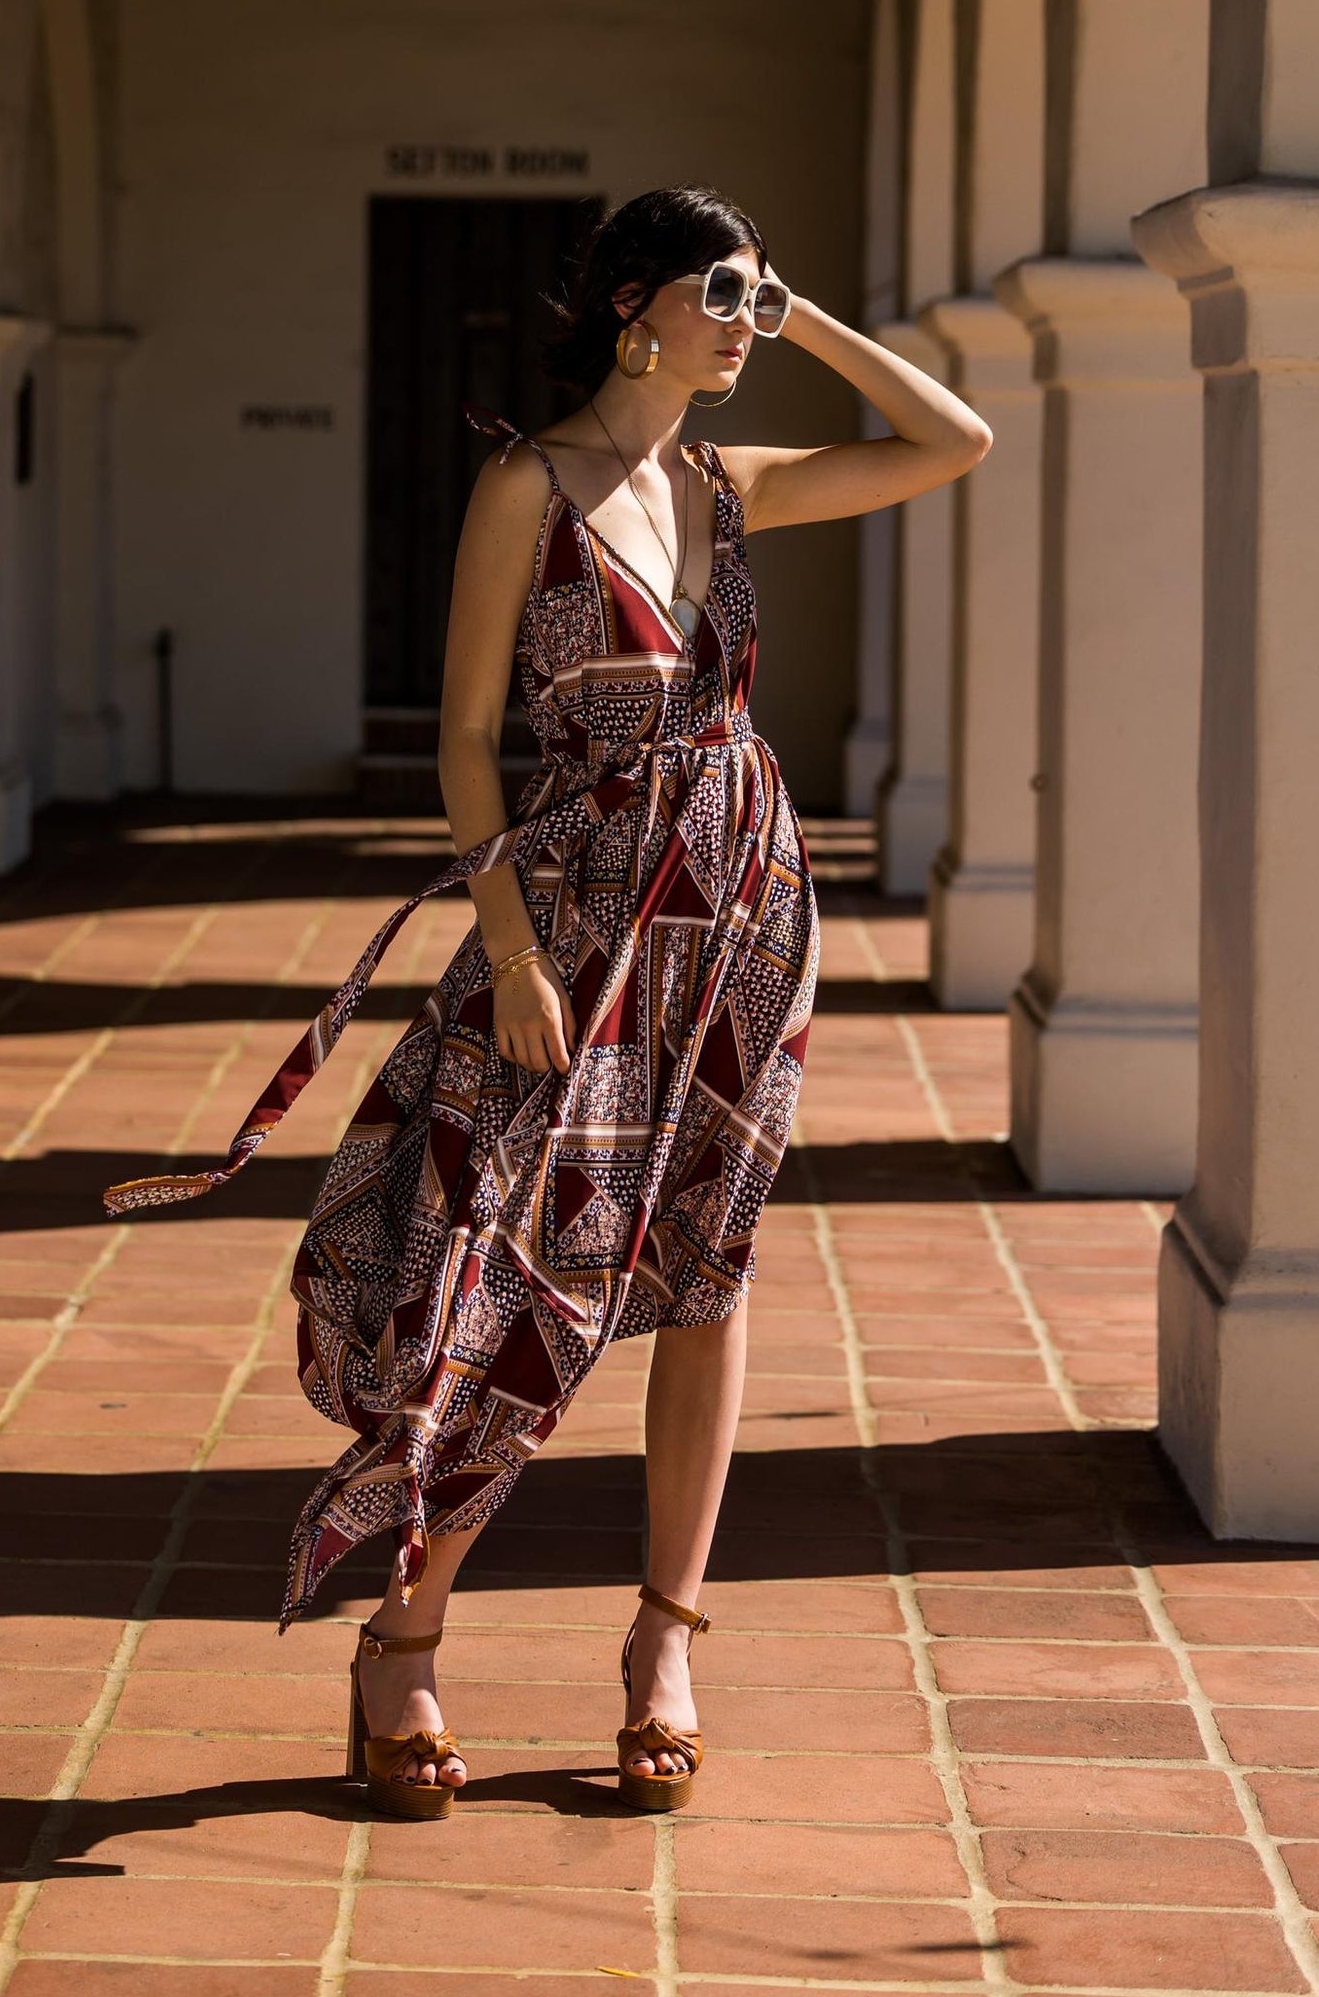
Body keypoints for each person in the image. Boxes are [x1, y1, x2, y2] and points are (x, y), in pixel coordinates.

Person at [105, 184, 990, 1818]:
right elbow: (462, 742)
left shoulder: (733, 488)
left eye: (753, 294)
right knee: (507, 1264)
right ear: (635, 304)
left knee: (707, 1268)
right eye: (721, 291)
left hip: (742, 906)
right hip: (578, 918)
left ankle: (665, 1640)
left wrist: (802, 318)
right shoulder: (530, 483)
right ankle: (407, 1632)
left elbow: (954, 443)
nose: (743, 317)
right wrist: (509, 952)